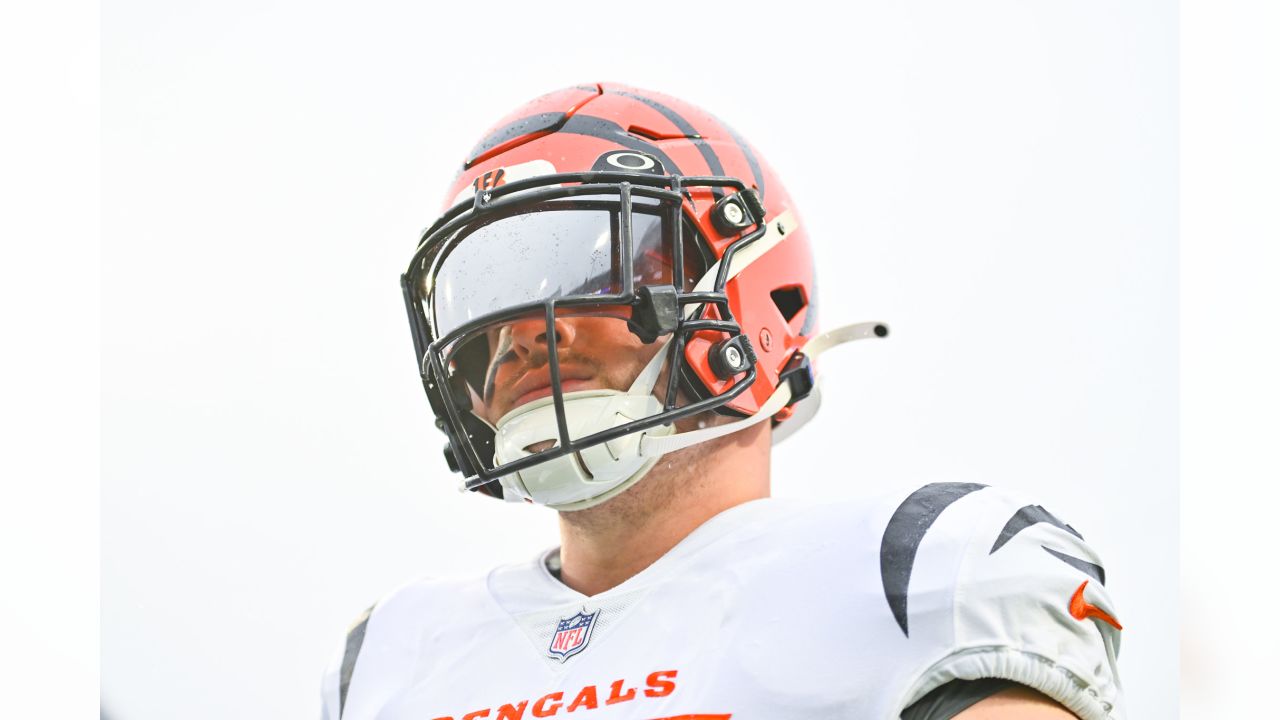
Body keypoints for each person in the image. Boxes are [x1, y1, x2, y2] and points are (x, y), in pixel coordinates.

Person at [320, 82, 1124, 720]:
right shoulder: (392, 654)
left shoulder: (918, 569)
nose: (518, 337)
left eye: (582, 271)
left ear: (748, 295)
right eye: (484, 302)